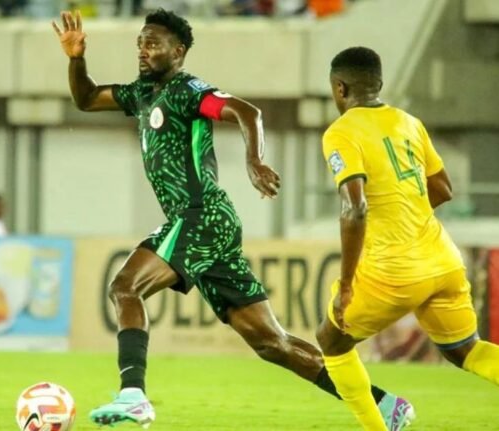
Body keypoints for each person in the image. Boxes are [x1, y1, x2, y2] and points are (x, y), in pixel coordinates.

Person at [52, 11, 413, 429]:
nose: (143, 50)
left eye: (153, 43)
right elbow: (86, 98)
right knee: (272, 343)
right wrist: (76, 58)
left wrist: (254, 160)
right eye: (140, 43)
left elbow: (246, 111)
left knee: (124, 287)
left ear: (178, 51)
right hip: (207, 224)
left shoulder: (188, 91)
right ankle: (386, 406)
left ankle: (133, 394)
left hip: (200, 215)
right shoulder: (142, 94)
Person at [316, 46, 499, 431]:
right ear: (379, 84)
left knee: (331, 341)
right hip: (443, 261)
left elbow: (355, 209)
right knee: (466, 350)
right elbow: (443, 189)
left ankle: (376, 427)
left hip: (393, 272)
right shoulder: (409, 122)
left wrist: (346, 284)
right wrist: (407, 215)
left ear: (339, 88)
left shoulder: (341, 132)